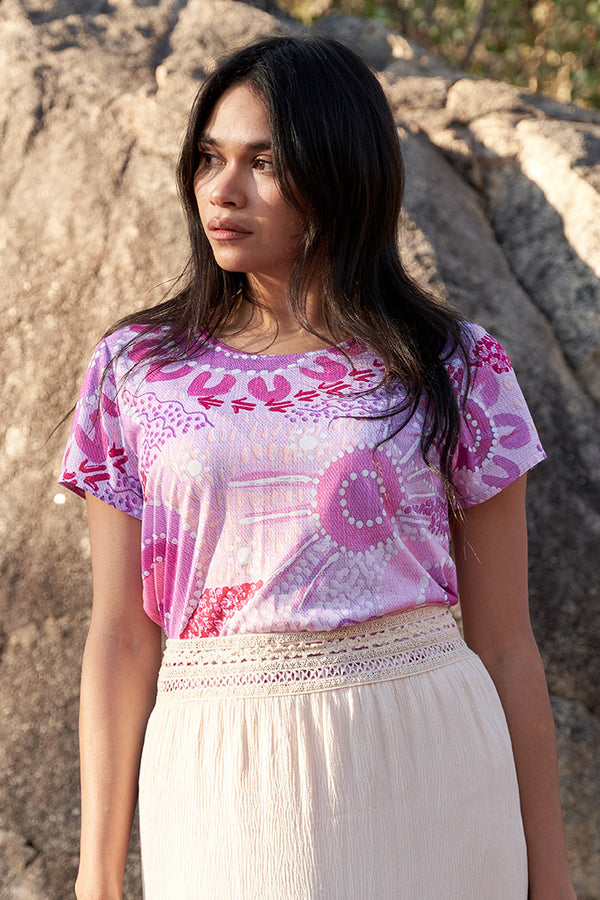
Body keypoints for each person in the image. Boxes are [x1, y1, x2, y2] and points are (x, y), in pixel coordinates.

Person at [60, 35, 575, 900]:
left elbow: (504, 642)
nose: (222, 189)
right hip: (222, 768)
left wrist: (552, 879)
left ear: (339, 171)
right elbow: (119, 636)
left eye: (263, 162)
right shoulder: (135, 369)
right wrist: (96, 875)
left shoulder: (453, 363)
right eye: (210, 158)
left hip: (432, 754)